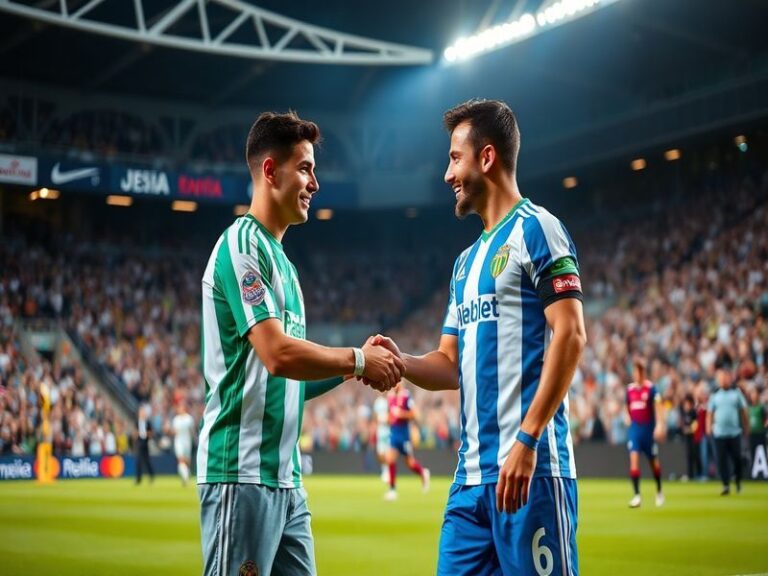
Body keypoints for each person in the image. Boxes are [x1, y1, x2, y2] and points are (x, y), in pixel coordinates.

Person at [369, 99, 586, 575]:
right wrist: (399, 361)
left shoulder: (538, 229)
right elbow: (449, 364)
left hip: (530, 473)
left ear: (486, 158)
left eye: (453, 158)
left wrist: (527, 441)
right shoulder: (464, 264)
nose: (447, 174)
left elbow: (570, 335)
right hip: (469, 484)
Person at [196, 110, 404, 576]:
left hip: (287, 481)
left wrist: (357, 366)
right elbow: (277, 354)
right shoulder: (241, 246)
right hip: (241, 473)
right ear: (270, 171)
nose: (315, 183)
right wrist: (356, 359)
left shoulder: (286, 267)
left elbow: (291, 381)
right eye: (305, 168)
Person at [625, 359, 665, 508]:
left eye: (638, 371)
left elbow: (658, 406)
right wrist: (627, 417)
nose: (636, 374)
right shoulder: (629, 390)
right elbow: (626, 406)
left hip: (648, 430)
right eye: (634, 371)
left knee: (653, 463)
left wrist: (660, 425)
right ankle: (637, 496)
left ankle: (659, 490)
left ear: (643, 372)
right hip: (635, 430)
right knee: (633, 459)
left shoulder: (651, 389)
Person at [383, 381, 430, 501]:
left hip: (404, 435)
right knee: (390, 458)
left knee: (410, 463)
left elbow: (415, 414)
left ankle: (423, 473)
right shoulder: (390, 396)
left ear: (401, 382)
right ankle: (392, 490)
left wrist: (402, 414)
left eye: (397, 382)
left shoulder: (406, 396)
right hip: (394, 433)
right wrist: (386, 418)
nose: (395, 384)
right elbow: (390, 415)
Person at [707, 369, 749, 495]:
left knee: (737, 458)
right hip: (719, 432)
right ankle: (725, 484)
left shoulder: (736, 393)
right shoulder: (715, 395)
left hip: (734, 432)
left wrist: (746, 426)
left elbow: (743, 411)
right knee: (721, 460)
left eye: (725, 377)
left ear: (729, 378)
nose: (723, 380)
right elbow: (710, 413)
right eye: (721, 378)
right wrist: (708, 427)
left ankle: (738, 480)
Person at [171, 401, 196, 486]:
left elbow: (192, 431)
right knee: (180, 459)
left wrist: (194, 440)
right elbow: (174, 431)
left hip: (187, 441)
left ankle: (185, 476)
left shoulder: (189, 418)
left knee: (187, 461)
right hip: (179, 441)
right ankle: (186, 477)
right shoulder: (176, 419)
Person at [679, 393, 700, 481]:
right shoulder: (685, 413)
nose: (686, 406)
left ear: (691, 404)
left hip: (694, 438)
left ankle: (699, 474)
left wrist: (689, 430)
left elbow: (696, 425)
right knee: (689, 456)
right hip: (687, 438)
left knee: (695, 455)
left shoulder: (693, 413)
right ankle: (690, 475)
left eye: (687, 403)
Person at [372, 394, 391, 483]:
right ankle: (385, 470)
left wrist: (388, 420)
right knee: (380, 452)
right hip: (380, 430)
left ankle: (387, 472)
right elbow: (375, 416)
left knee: (387, 452)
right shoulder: (378, 402)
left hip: (388, 430)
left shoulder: (389, 400)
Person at [135, 404, 154, 485]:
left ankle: (151, 476)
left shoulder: (148, 422)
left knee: (147, 461)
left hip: (145, 442)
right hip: (139, 442)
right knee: (138, 461)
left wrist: (145, 433)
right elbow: (135, 432)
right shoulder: (137, 422)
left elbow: (151, 433)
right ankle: (138, 479)